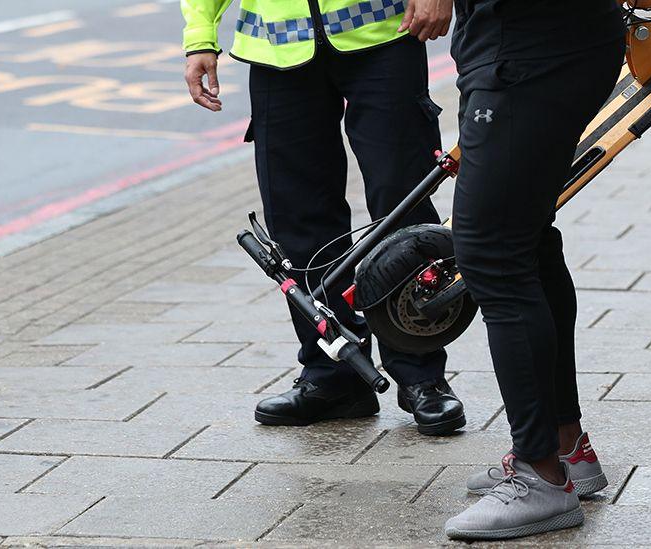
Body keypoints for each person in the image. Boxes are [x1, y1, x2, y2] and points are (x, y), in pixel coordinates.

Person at [181, 0, 467, 436]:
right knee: (299, 218)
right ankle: (333, 374)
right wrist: (200, 36)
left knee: (403, 210)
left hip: (383, 34)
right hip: (277, 49)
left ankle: (421, 375)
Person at [442, 0, 626, 540]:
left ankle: (541, 477)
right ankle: (566, 447)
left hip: (530, 51)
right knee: (526, 241)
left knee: (493, 253)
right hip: (538, 46)